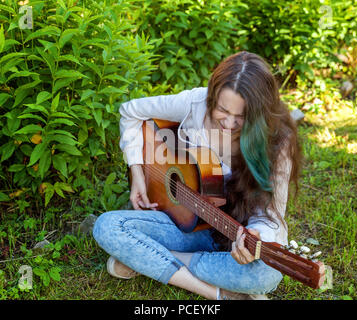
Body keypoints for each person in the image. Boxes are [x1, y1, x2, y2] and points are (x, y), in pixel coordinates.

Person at [92, 51, 303, 300]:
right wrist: (136, 172)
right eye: (223, 110)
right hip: (185, 224)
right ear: (213, 98)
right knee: (108, 226)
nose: (229, 123)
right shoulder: (195, 104)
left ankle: (148, 259)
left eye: (242, 117)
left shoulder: (278, 142)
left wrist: (255, 239)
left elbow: (270, 218)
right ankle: (220, 294)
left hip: (232, 238)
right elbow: (130, 111)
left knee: (267, 275)